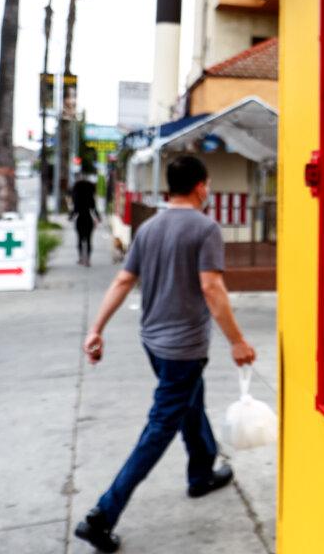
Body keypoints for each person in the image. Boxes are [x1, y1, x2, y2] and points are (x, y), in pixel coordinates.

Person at [74, 155, 257, 553]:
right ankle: (102, 515)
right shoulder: (205, 228)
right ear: (200, 186)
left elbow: (124, 280)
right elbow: (212, 288)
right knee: (161, 427)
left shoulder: (149, 227)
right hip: (183, 348)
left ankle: (201, 473)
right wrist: (238, 341)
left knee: (190, 402)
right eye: (208, 184)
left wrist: (96, 329)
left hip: (154, 342)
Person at [69, 176, 100, 266]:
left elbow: (75, 210)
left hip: (80, 220)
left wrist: (70, 217)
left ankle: (81, 258)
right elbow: (94, 209)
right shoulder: (90, 198)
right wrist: (98, 217)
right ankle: (88, 260)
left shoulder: (77, 198)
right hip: (88, 220)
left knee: (80, 239)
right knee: (89, 240)